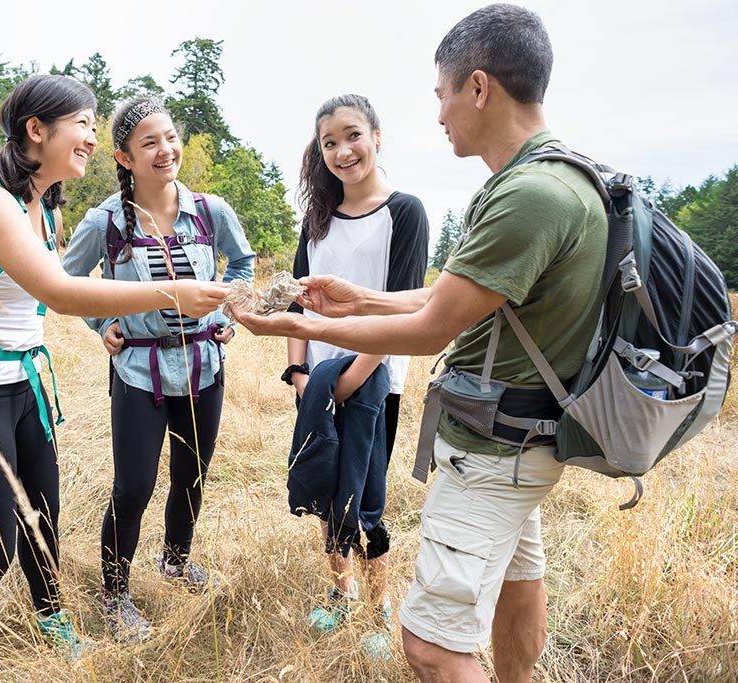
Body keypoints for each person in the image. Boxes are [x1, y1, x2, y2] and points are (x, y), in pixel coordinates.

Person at [232, 5, 608, 681]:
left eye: (441, 94)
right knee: (519, 578)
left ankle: (375, 601)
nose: (438, 114)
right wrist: (359, 300)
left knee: (432, 646)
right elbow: (449, 298)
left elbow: (435, 326)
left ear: (479, 87)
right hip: (522, 436)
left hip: (497, 445)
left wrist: (303, 326)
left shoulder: (527, 196)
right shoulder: (551, 177)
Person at [0, 76, 229, 683]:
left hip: (25, 385)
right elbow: (60, 291)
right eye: (82, 124)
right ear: (37, 131)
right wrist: (173, 293)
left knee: (43, 518)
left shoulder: (44, 204)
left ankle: (52, 618)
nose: (91, 136)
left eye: (93, 125)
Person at [62, 97, 256, 643]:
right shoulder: (104, 220)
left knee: (191, 474)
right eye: (149, 142)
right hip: (139, 370)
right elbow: (68, 283)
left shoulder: (210, 211)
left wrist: (226, 312)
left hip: (203, 364)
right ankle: (115, 594)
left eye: (169, 137)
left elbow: (242, 263)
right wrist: (102, 326)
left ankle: (175, 561)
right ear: (124, 157)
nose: (166, 150)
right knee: (134, 486)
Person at [282, 94, 427, 658]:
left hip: (376, 380)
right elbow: (298, 302)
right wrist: (299, 370)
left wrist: (353, 376)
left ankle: (377, 606)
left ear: (377, 136)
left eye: (352, 136)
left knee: (366, 494)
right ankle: (341, 591)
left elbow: (403, 308)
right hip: (316, 381)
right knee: (325, 484)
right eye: (329, 143)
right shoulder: (316, 218)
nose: (342, 151)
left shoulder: (405, 211)